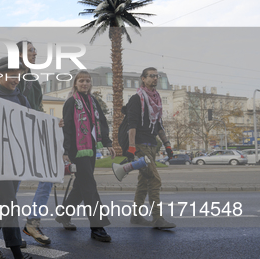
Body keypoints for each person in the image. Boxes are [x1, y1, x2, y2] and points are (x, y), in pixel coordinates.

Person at [0, 56, 40, 259]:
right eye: (12, 74)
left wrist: (53, 124)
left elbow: (33, 123)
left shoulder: (22, 98)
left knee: (1, 202)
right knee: (9, 203)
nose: (16, 79)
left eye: (19, 75)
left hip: (15, 161)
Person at [61, 71, 115, 242]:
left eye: (87, 81)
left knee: (81, 185)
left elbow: (102, 123)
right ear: (75, 84)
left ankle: (64, 215)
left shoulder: (93, 102)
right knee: (89, 186)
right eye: (81, 81)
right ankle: (97, 227)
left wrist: (107, 142)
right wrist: (66, 151)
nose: (85, 83)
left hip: (91, 148)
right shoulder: (71, 102)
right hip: (78, 151)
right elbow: (67, 128)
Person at [127, 67, 176, 230]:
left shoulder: (157, 99)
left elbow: (159, 125)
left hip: (152, 145)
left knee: (144, 182)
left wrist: (167, 145)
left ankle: (136, 216)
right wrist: (132, 148)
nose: (155, 78)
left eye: (157, 76)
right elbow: (131, 125)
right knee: (154, 179)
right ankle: (157, 218)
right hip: (141, 146)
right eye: (151, 76)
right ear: (143, 79)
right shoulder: (136, 98)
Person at [17, 41, 52, 245]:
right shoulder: (11, 76)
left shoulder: (35, 82)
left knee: (47, 176)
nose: (35, 52)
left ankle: (32, 222)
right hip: (15, 140)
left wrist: (50, 124)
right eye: (30, 50)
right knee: (10, 189)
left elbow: (38, 110)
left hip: (33, 138)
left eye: (35, 49)